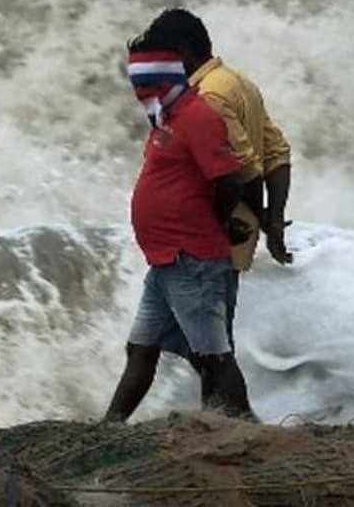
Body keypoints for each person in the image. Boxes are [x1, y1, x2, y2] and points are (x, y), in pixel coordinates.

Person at [142, 8, 292, 401]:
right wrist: (272, 220)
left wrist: (237, 218)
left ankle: (232, 418)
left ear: (183, 51)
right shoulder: (239, 82)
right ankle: (218, 416)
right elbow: (277, 153)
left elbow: (243, 168)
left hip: (212, 231)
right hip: (225, 230)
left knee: (212, 348)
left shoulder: (207, 96)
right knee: (204, 341)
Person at [105, 32, 254, 421]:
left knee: (214, 357)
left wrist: (218, 222)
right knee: (141, 348)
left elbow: (230, 178)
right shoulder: (166, 117)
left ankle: (246, 431)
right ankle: (109, 428)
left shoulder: (198, 116)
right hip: (166, 261)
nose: (136, 87)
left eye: (142, 78)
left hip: (191, 259)